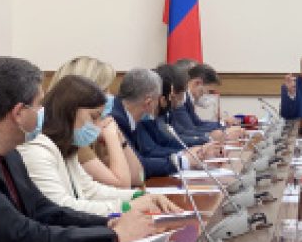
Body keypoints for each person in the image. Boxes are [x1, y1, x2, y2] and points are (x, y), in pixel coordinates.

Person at [0, 57, 153, 242]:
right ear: (19, 113)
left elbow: (44, 210)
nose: (44, 110)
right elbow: (19, 235)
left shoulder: (9, 151)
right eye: (38, 104)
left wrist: (107, 224)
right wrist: (114, 237)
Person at [19, 75, 181, 216]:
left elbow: (90, 190)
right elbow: (62, 207)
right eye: (94, 117)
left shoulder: (66, 149)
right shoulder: (37, 152)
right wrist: (126, 207)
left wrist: (138, 196)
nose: (98, 126)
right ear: (70, 112)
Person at [50, 56, 143, 188]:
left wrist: (121, 140)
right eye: (104, 90)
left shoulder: (94, 130)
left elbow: (138, 177)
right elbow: (121, 185)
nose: (110, 96)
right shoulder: (75, 137)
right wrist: (112, 137)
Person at [111, 68, 218, 178]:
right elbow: (139, 164)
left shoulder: (128, 114)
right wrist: (183, 161)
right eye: (158, 99)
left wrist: (188, 154)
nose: (161, 103)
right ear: (148, 103)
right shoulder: (117, 120)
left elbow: (151, 150)